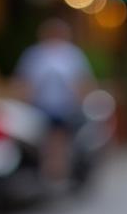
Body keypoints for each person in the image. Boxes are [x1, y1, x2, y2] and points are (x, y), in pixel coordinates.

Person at [14, 19, 94, 179]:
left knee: (58, 136)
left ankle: (57, 169)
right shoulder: (34, 54)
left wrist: (81, 101)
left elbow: (83, 82)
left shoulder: (72, 54)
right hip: (39, 107)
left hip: (65, 108)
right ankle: (49, 168)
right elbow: (24, 82)